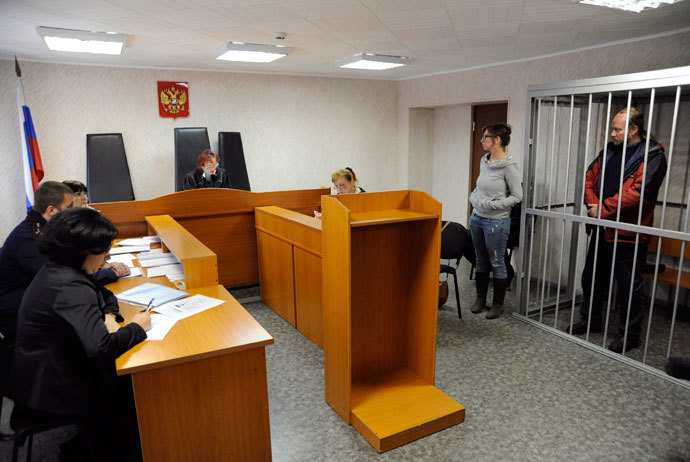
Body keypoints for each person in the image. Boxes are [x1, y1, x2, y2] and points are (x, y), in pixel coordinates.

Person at [7, 207, 151, 462]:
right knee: (140, 389)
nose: (107, 257)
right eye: (104, 250)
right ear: (83, 251)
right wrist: (137, 327)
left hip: (41, 370)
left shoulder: (61, 269)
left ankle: (89, 444)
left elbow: (102, 294)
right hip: (53, 387)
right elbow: (102, 348)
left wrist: (108, 314)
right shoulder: (69, 285)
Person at [567, 107, 667, 354]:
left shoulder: (652, 155)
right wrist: (594, 207)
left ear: (634, 129)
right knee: (592, 277)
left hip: (628, 232)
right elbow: (589, 177)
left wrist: (602, 209)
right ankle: (590, 320)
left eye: (617, 129)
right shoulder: (610, 151)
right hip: (602, 227)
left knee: (628, 286)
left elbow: (637, 194)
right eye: (612, 128)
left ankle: (629, 335)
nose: (612, 133)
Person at [469, 123, 523, 319]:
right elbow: (481, 187)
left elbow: (517, 196)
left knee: (497, 262)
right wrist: (474, 196)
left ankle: (497, 304)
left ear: (497, 140)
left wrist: (495, 204)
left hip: (496, 222)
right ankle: (480, 299)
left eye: (485, 137)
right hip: (477, 217)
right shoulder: (485, 160)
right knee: (480, 260)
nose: (482, 140)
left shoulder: (509, 167)